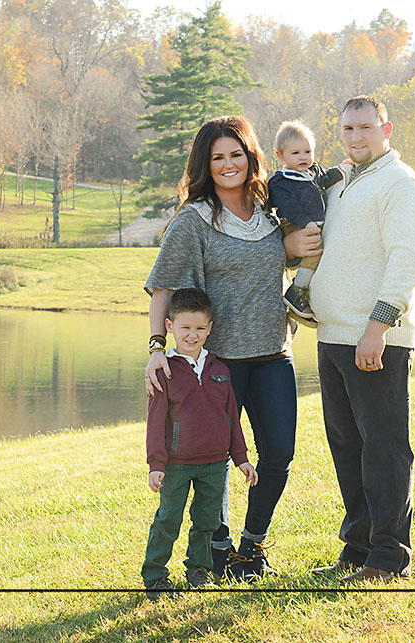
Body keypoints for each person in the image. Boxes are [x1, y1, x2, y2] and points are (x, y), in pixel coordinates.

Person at [144, 115, 307, 581]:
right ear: (205, 165)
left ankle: (251, 548)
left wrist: (294, 242)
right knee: (211, 458)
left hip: (274, 355)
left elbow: (295, 249)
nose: (228, 163)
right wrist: (158, 347)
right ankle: (219, 547)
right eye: (218, 157)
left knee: (277, 454)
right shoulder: (192, 222)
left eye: (236, 154)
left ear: (250, 156)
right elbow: (163, 290)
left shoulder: (270, 214)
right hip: (215, 365)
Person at [305, 95, 415, 583]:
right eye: (346, 129)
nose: (355, 137)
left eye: (364, 127)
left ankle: (387, 556)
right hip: (333, 337)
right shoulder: (341, 184)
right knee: (347, 446)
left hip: (376, 339)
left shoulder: (402, 186)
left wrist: (377, 328)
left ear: (386, 128)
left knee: (382, 447)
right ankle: (356, 549)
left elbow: (408, 263)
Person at [142, 288, 258, 600]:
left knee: (207, 521)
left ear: (209, 328)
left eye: (199, 328)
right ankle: (155, 578)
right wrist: (156, 464)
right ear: (170, 327)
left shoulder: (220, 369)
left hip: (214, 465)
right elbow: (155, 423)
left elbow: (232, 417)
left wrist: (241, 459)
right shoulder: (163, 371)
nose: (192, 335)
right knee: (168, 519)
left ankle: (199, 570)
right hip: (177, 463)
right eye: (185, 328)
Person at [267, 121, 342, 325]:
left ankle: (307, 294)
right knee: (314, 251)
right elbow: (289, 207)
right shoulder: (281, 181)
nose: (303, 157)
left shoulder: (312, 172)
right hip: (294, 224)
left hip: (313, 224)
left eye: (308, 151)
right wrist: (306, 222)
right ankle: (296, 291)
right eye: (296, 153)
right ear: (281, 155)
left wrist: (341, 171)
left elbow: (324, 181)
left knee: (323, 255)